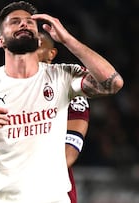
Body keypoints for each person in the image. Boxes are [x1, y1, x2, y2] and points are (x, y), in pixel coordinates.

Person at [0, 1, 123, 203]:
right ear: (1, 41)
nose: (24, 24)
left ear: (39, 40)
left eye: (29, 23)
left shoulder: (62, 76)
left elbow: (113, 83)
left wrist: (67, 40)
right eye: (15, 22)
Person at [37, 31, 90, 203]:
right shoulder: (1, 87)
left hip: (51, 190)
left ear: (51, 53)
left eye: (36, 45)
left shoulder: (68, 86)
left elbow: (70, 148)